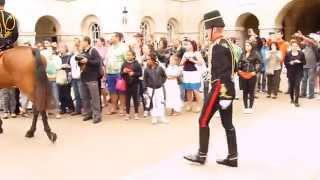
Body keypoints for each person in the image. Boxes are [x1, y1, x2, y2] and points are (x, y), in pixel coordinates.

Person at [184, 10, 238, 167]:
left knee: (203, 120)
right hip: (227, 88)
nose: (206, 32)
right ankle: (233, 157)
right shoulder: (227, 44)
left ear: (214, 28)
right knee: (228, 124)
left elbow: (221, 74)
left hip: (219, 88)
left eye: (207, 29)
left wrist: (221, 94)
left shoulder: (218, 47)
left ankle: (201, 155)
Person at [78, 36, 102, 124]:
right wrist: (80, 62)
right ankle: (88, 113)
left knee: (95, 98)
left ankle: (97, 115)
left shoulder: (93, 50)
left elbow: (97, 62)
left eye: (82, 41)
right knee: (85, 97)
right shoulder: (82, 52)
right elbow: (81, 64)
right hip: (83, 77)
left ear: (87, 42)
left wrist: (87, 61)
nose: (81, 43)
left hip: (92, 77)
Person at [106, 32, 128, 115]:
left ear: (117, 38)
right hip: (110, 72)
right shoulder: (110, 48)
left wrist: (124, 72)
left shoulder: (124, 48)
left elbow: (126, 60)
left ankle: (122, 108)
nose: (110, 38)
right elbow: (107, 60)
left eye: (112, 37)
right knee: (112, 91)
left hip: (119, 73)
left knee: (121, 91)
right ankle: (113, 108)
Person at [180, 39, 205, 113]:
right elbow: (181, 63)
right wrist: (184, 60)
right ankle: (189, 104)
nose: (187, 46)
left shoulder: (197, 53)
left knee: (195, 89)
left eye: (188, 44)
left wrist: (192, 60)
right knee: (188, 89)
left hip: (194, 73)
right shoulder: (185, 53)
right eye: (186, 44)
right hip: (186, 72)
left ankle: (199, 105)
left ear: (192, 45)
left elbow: (201, 63)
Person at [144, 52, 167, 125]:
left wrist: (161, 82)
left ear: (153, 60)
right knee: (152, 102)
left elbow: (164, 76)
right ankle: (154, 117)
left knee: (160, 102)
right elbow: (145, 79)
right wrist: (146, 88)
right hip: (150, 88)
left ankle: (161, 117)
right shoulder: (146, 69)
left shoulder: (160, 68)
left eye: (148, 59)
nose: (147, 61)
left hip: (159, 88)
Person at [238, 41, 261, 113]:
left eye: (248, 45)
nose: (246, 47)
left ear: (251, 46)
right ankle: (245, 107)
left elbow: (259, 63)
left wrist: (255, 71)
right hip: (243, 74)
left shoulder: (256, 54)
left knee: (251, 92)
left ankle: (250, 107)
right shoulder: (242, 54)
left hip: (252, 74)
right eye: (245, 45)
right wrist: (239, 70)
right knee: (245, 91)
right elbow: (239, 63)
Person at [121, 49, 142, 120]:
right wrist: (123, 72)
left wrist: (134, 73)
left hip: (135, 84)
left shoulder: (137, 64)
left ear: (133, 56)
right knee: (127, 99)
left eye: (130, 55)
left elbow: (140, 73)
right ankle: (127, 114)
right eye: (127, 55)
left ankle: (136, 113)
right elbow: (121, 74)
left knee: (135, 99)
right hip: (127, 84)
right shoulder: (124, 63)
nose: (128, 56)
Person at [284, 40, 306, 107]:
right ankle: (292, 98)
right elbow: (285, 63)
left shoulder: (301, 53)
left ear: (297, 47)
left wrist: (299, 61)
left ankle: (296, 101)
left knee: (297, 85)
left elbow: (304, 62)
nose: (294, 47)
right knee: (291, 86)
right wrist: (290, 63)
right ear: (291, 47)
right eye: (293, 46)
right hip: (291, 72)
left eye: (296, 46)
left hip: (299, 72)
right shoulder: (288, 53)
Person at [69, 39, 82, 116]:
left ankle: (84, 109)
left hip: (80, 76)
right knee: (76, 94)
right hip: (74, 77)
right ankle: (77, 109)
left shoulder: (80, 55)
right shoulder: (72, 56)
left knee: (82, 94)